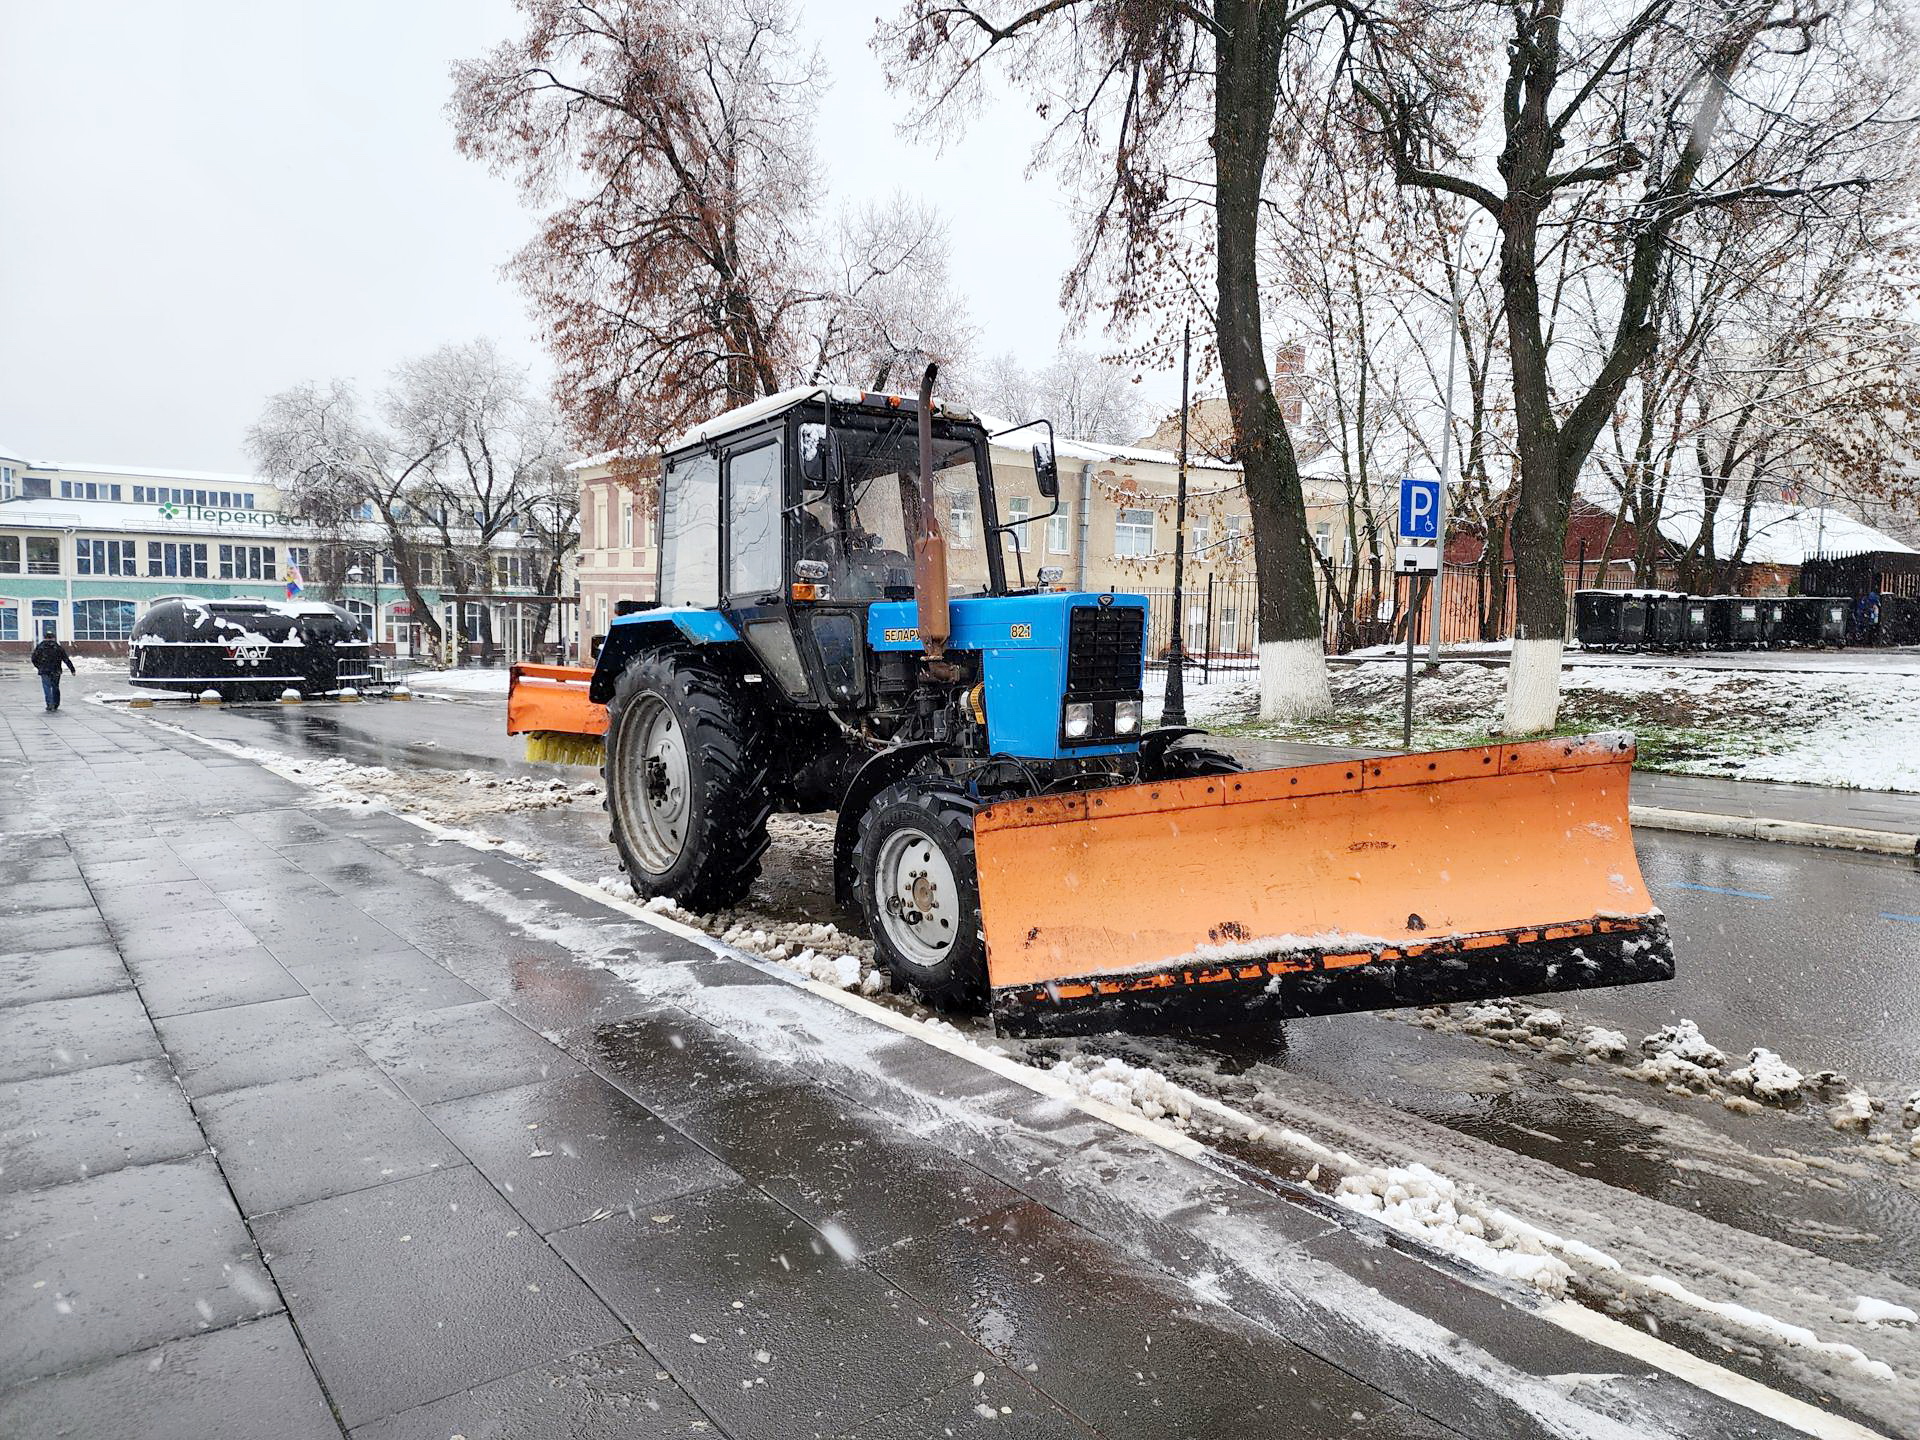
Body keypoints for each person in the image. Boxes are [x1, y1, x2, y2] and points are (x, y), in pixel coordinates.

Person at [30, 630, 76, 711]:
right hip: (56, 670)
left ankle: (49, 703)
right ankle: (56, 703)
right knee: (55, 687)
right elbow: (65, 659)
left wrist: (39, 666)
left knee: (46, 687)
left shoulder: (40, 647)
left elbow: (34, 658)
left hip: (44, 670)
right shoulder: (57, 647)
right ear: (54, 638)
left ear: (44, 638)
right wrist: (72, 669)